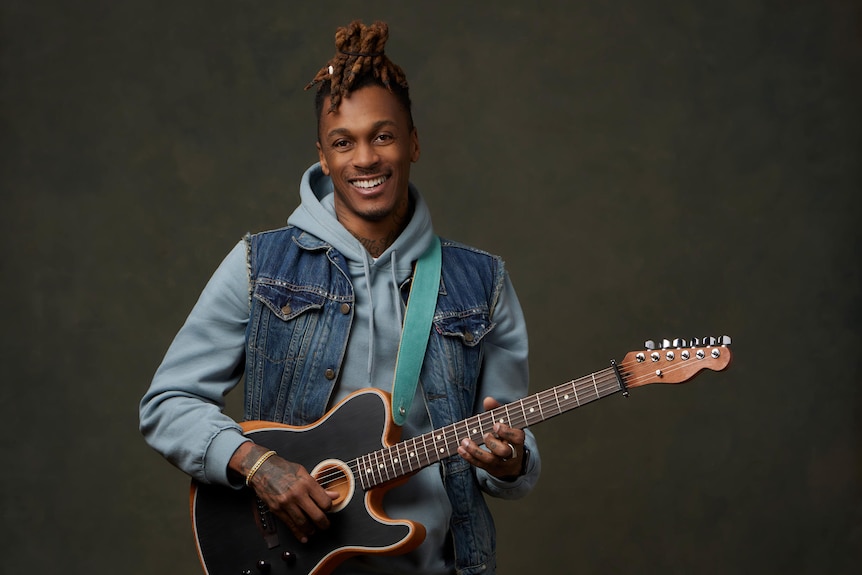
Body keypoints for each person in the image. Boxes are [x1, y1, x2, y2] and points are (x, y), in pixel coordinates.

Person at [139, 20, 540, 575]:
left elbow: (506, 455)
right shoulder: (261, 265)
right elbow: (167, 403)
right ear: (324, 157)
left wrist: (512, 459)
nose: (366, 159)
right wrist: (256, 463)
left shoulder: (481, 283)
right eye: (343, 142)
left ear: (413, 141)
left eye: (383, 135)